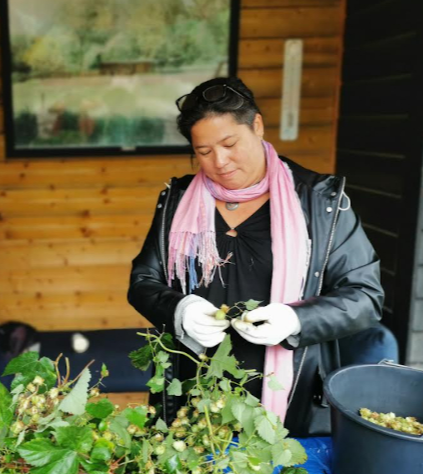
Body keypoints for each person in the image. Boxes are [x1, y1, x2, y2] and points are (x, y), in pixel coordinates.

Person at [128, 77, 387, 436]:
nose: (220, 161)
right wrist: (178, 310)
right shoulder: (177, 200)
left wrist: (296, 320)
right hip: (192, 394)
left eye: (230, 143)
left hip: (289, 394)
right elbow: (143, 282)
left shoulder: (320, 201)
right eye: (203, 151)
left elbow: (365, 296)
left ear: (258, 126)